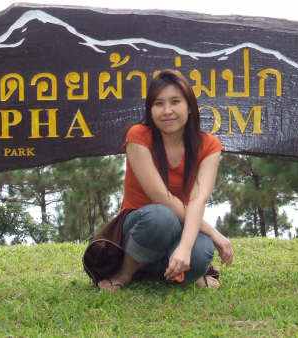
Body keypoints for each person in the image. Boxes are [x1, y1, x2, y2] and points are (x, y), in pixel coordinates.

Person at [83, 69, 233, 290]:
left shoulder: (209, 145)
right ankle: (125, 273)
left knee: (201, 252)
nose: (167, 111)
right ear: (150, 110)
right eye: (159, 104)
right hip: (142, 224)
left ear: (190, 107)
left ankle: (158, 271)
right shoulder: (138, 136)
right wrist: (213, 231)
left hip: (181, 224)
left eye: (175, 102)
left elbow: (197, 201)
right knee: (162, 217)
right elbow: (160, 197)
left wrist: (185, 248)